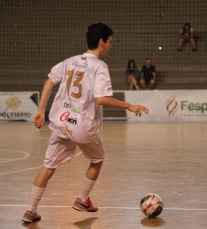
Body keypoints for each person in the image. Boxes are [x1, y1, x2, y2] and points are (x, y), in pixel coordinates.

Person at [21, 22, 149, 223]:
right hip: (83, 127)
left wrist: (40, 112)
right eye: (110, 42)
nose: (110, 46)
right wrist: (129, 106)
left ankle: (30, 210)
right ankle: (82, 199)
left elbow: (48, 82)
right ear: (101, 41)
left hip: (62, 123)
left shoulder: (70, 61)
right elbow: (102, 99)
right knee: (97, 160)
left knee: (47, 168)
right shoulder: (100, 66)